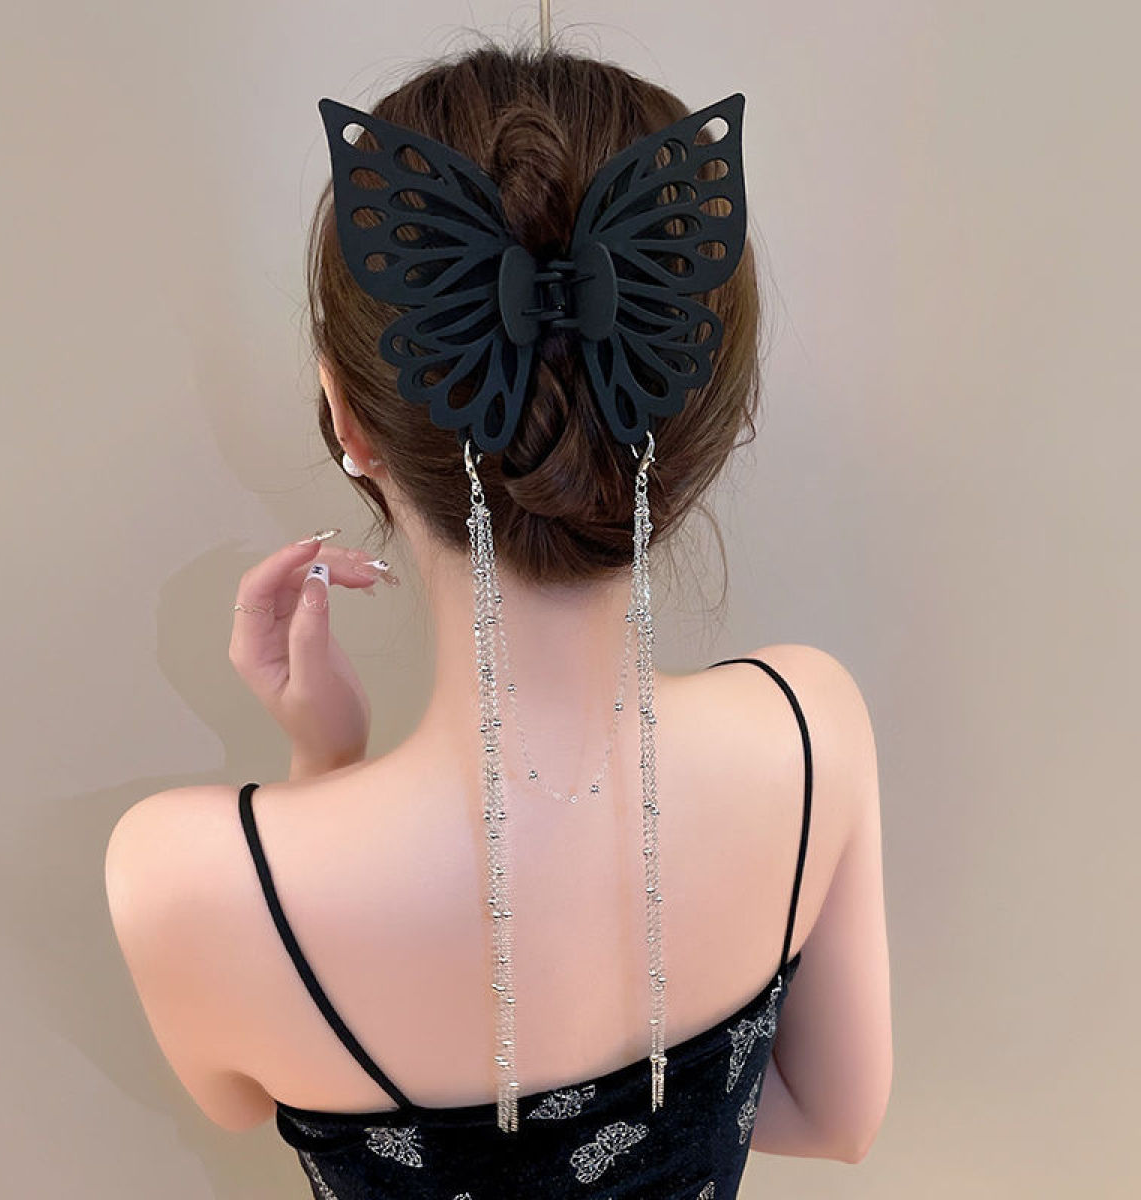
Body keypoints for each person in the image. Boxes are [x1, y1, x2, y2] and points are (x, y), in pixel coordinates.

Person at [105, 40, 891, 1199]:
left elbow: (240, 1098)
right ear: (705, 417)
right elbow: (834, 1116)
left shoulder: (189, 880)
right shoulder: (810, 732)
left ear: (347, 418)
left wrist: (323, 772)